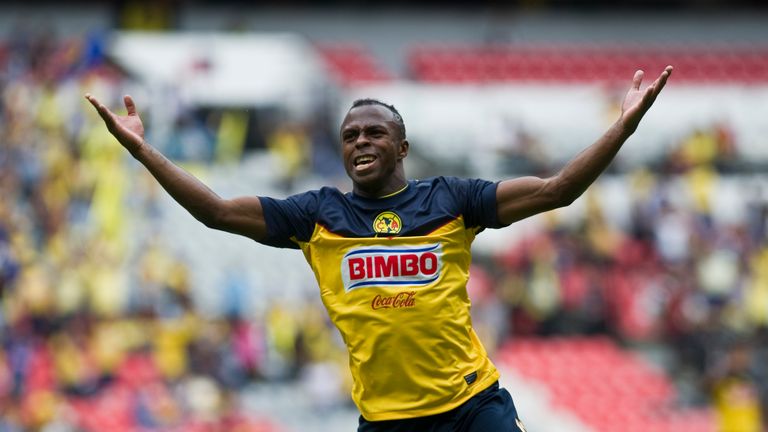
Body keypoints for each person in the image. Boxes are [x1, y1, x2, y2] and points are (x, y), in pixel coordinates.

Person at [85, 65, 673, 432]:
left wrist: (622, 127)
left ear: (402, 147)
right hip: (388, 421)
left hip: (472, 406)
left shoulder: (453, 199)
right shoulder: (317, 215)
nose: (360, 141)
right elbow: (215, 212)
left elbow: (557, 190)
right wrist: (143, 152)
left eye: (373, 132)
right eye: (349, 136)